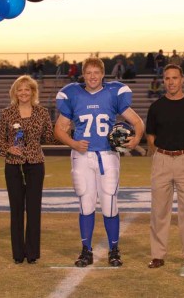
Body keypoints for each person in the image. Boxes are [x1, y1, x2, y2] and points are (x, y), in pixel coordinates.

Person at [54, 57, 144, 268]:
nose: (92, 76)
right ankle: (86, 250)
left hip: (107, 155)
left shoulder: (113, 93)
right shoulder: (73, 94)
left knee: (109, 203)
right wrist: (73, 143)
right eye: (89, 73)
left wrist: (136, 138)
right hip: (82, 156)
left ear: (103, 74)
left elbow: (137, 121)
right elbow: (59, 129)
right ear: (83, 75)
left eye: (96, 72)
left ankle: (114, 250)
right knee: (85, 203)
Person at [145, 64, 184, 269]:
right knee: (159, 211)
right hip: (161, 159)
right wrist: (159, 155)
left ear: (182, 80)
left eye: (175, 78)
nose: (171, 82)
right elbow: (150, 135)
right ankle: (158, 255)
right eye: (167, 78)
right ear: (164, 81)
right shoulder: (156, 107)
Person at [0, 75, 55, 265]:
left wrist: (65, 128)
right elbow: (0, 138)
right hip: (13, 165)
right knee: (16, 209)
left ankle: (32, 254)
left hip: (36, 164)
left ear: (33, 92)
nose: (23, 93)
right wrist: (8, 149)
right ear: (15, 93)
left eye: (27, 89)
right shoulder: (7, 113)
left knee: (34, 209)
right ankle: (18, 254)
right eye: (19, 89)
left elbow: (48, 137)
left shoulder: (42, 113)